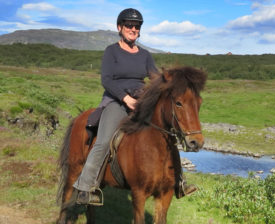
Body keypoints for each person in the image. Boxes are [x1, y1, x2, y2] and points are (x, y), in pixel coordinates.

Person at [74, 8, 197, 206]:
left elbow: (156, 78)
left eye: (137, 26)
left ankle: (179, 182)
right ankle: (85, 187)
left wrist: (173, 82)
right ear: (119, 27)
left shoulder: (145, 55)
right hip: (116, 101)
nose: (133, 29)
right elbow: (106, 79)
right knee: (104, 140)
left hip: (141, 102)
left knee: (167, 134)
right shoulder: (111, 51)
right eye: (129, 25)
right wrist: (125, 98)